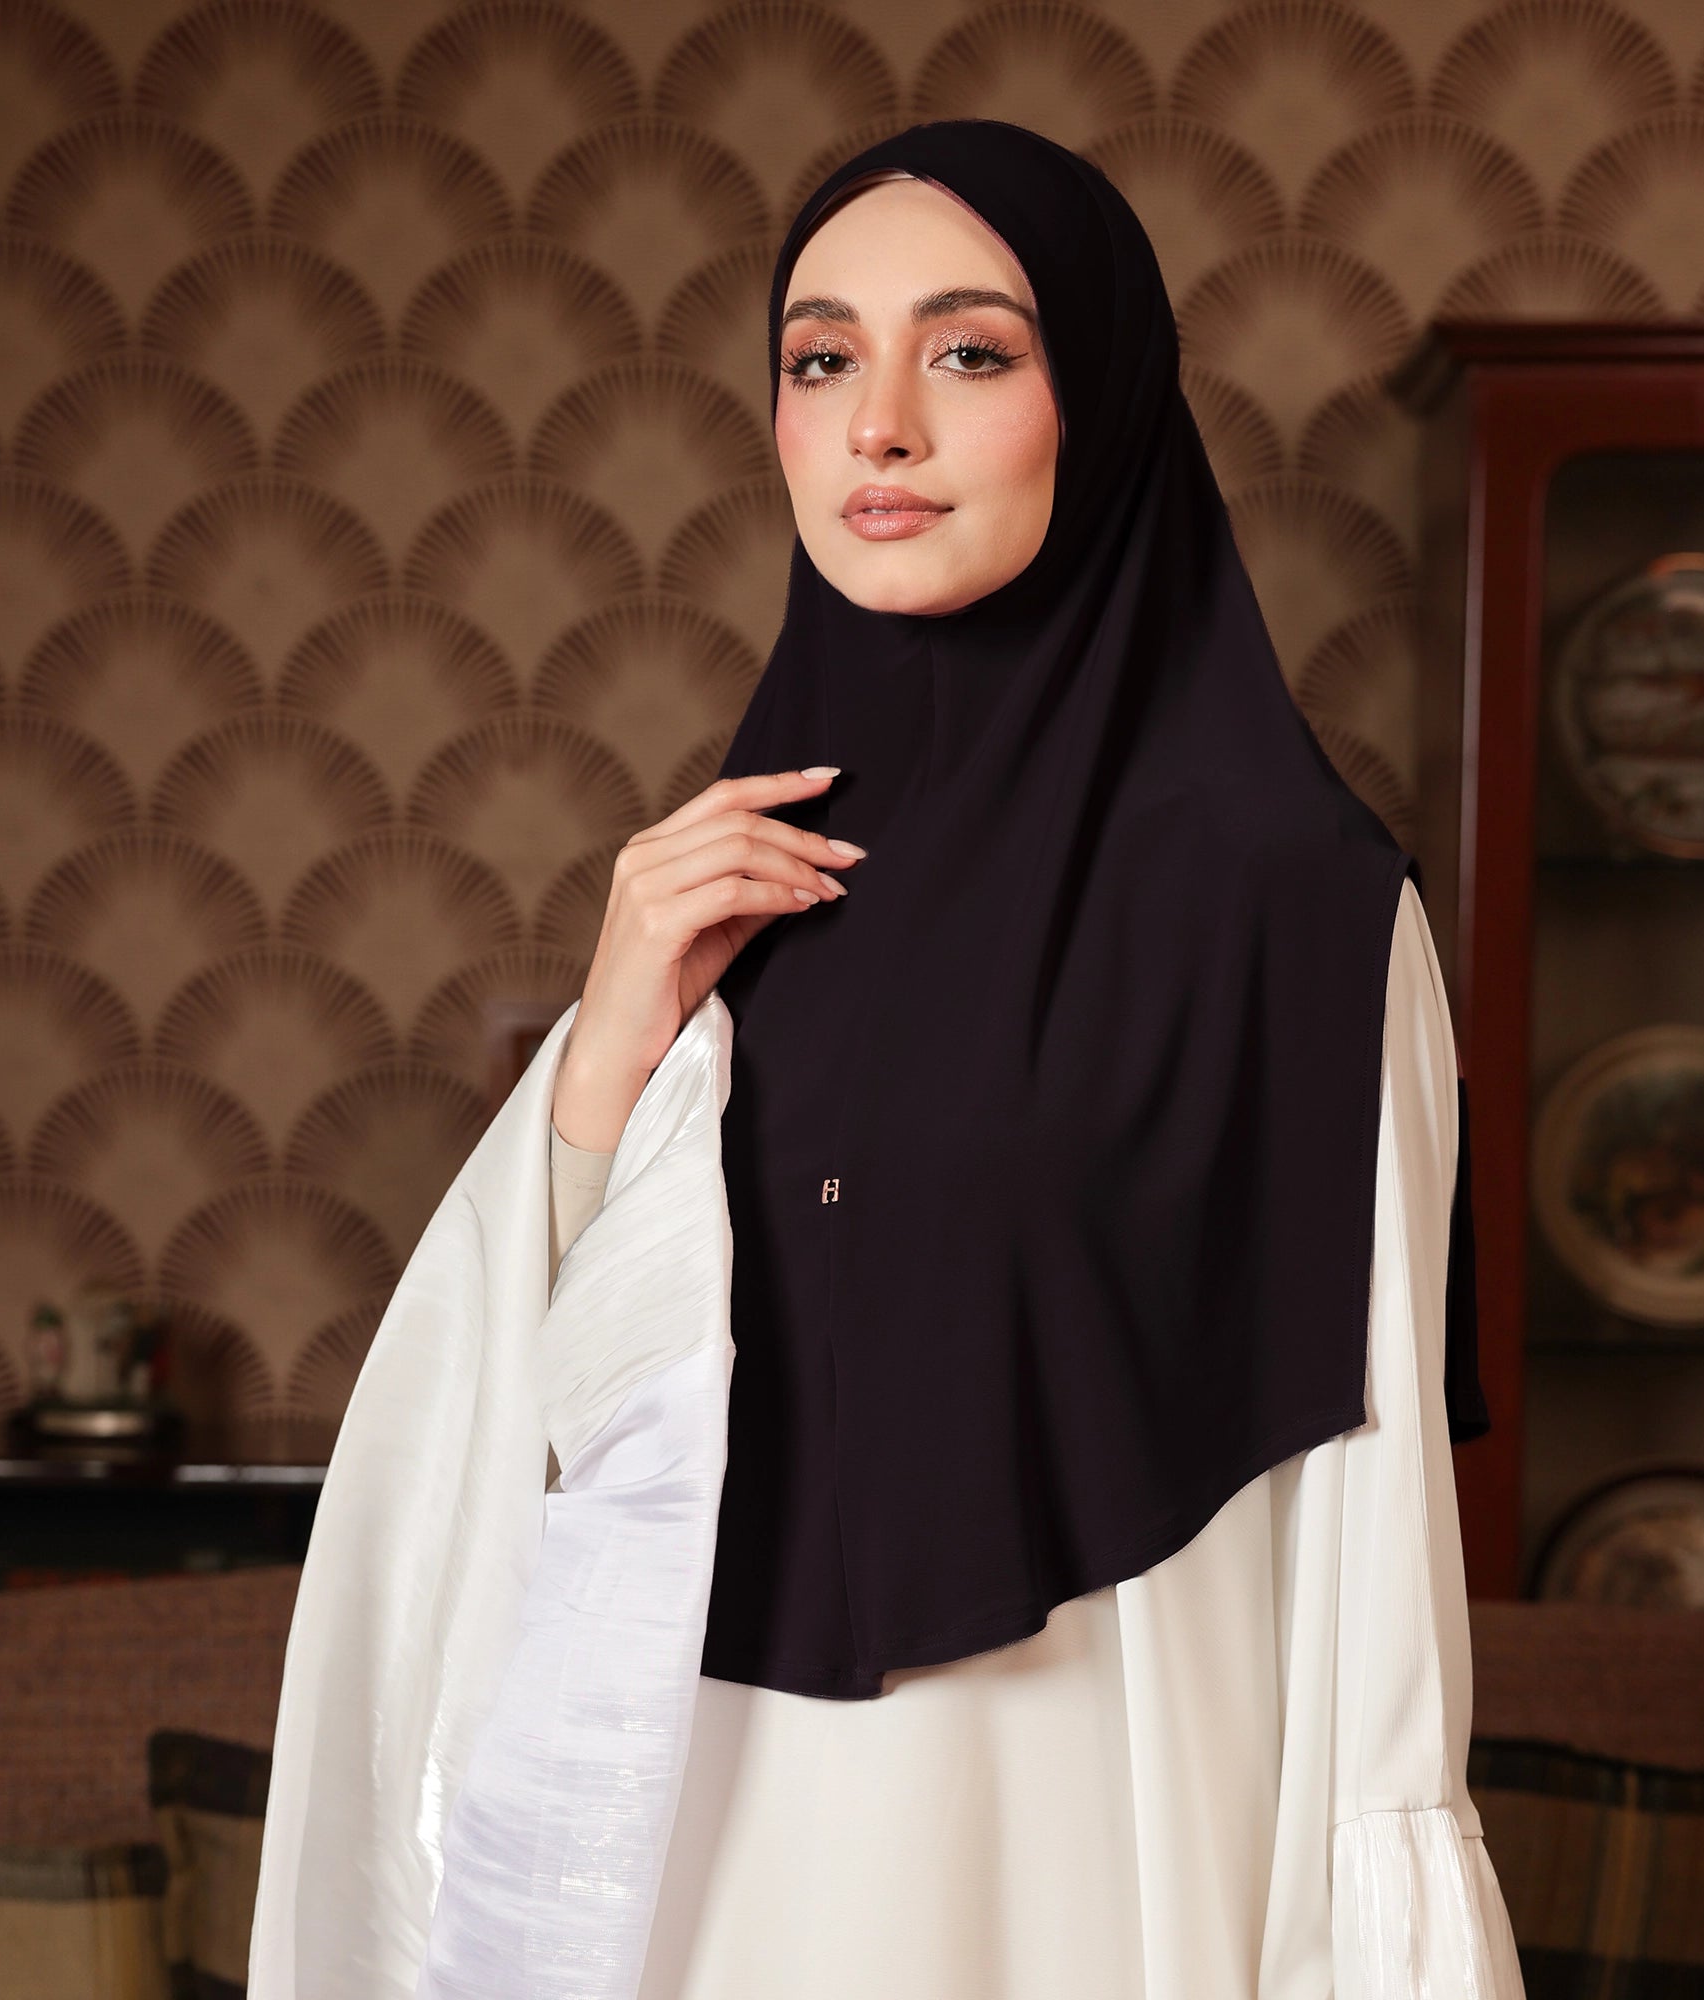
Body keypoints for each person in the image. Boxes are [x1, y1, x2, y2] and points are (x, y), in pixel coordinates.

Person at [248, 119, 1526, 1999]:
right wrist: (612, 1046)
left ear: (1101, 405)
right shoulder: (729, 881)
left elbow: (1375, 1522)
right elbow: (536, 1444)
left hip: (1095, 1857)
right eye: (823, 357)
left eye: (972, 353)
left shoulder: (1300, 912)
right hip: (713, 1861)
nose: (881, 428)